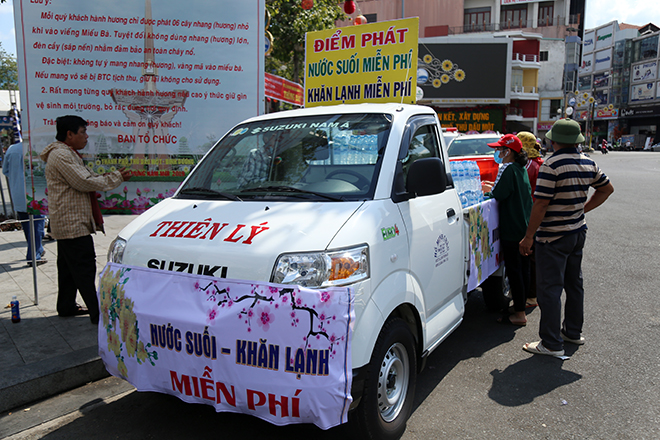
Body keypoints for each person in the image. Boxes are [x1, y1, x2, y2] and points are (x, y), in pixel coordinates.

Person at [519, 119, 614, 357]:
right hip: (577, 231)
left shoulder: (551, 165)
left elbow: (540, 204)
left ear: (554, 140)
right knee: (574, 284)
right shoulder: (588, 162)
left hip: (552, 236)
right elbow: (606, 189)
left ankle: (551, 343)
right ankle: (572, 332)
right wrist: (583, 210)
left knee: (549, 289)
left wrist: (528, 237)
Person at [41, 115, 131, 324]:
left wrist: (111, 175)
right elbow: (83, 181)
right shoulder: (61, 155)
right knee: (84, 267)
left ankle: (66, 306)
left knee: (67, 267)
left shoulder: (68, 153)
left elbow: (86, 177)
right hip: (72, 223)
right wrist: (116, 177)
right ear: (69, 134)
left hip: (68, 221)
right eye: (82, 132)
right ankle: (97, 313)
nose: (86, 137)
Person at [482, 134, 533, 326]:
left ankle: (519, 313)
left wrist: (488, 190)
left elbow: (499, 194)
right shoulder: (521, 168)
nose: (497, 153)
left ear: (508, 152)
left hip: (512, 228)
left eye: (499, 149)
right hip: (524, 226)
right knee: (523, 269)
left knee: (514, 270)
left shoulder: (508, 168)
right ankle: (520, 306)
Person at [2, 141, 47, 266]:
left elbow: (5, 170)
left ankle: (38, 250)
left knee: (28, 226)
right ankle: (34, 256)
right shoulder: (40, 148)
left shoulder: (12, 149)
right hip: (35, 193)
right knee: (37, 227)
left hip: (18, 193)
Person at [516, 131, 544, 307]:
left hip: (532, 213)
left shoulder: (529, 165)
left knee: (529, 255)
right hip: (538, 212)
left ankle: (531, 296)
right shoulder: (538, 162)